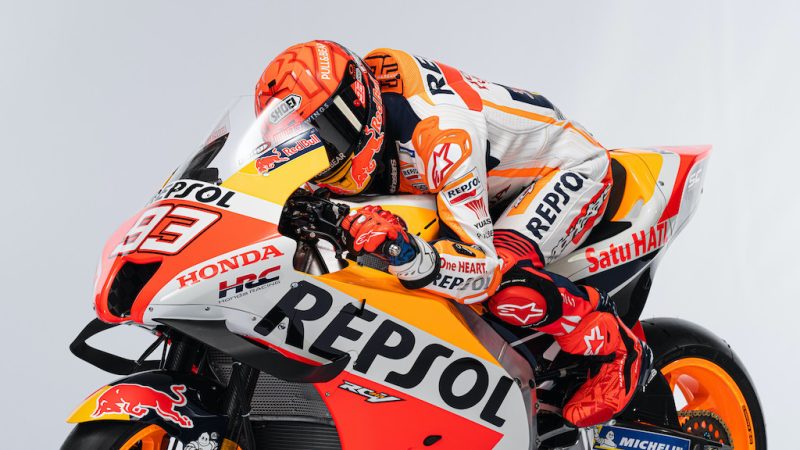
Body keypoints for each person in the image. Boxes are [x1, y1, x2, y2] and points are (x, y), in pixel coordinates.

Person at [253, 40, 650, 427]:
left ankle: (617, 347)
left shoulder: (440, 135)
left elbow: (481, 271)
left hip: (561, 168)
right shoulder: (342, 136)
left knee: (504, 285)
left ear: (359, 101)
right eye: (304, 141)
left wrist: (408, 252)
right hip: (484, 184)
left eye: (330, 131)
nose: (324, 150)